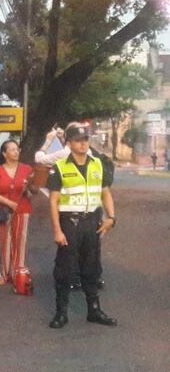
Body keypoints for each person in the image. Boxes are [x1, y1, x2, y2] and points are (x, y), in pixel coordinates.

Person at [47, 124, 117, 329]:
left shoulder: (97, 164)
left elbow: (105, 193)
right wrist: (57, 231)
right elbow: (53, 201)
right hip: (70, 223)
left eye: (86, 139)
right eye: (78, 140)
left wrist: (111, 218)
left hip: (91, 223)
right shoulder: (60, 167)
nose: (83, 143)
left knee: (92, 267)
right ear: (68, 142)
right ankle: (61, 313)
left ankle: (94, 310)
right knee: (65, 269)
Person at [0, 139, 36, 292]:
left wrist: (28, 188)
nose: (16, 152)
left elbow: (33, 191)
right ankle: (4, 273)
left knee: (19, 241)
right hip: (3, 210)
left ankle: (18, 272)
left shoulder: (27, 169)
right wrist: (8, 203)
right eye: (12, 149)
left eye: (17, 149)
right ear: (4, 153)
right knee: (3, 241)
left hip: (22, 209)